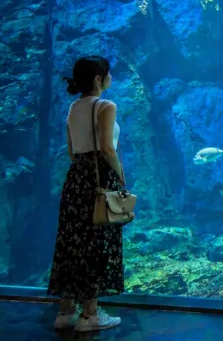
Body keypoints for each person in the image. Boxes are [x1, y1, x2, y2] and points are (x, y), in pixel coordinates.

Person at [48, 56, 133, 331]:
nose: (110, 78)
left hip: (76, 179)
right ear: (98, 78)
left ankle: (65, 312)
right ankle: (90, 315)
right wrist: (121, 176)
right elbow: (108, 148)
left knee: (72, 242)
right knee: (95, 243)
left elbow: (72, 151)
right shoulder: (106, 106)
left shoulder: (73, 107)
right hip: (99, 178)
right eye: (108, 73)